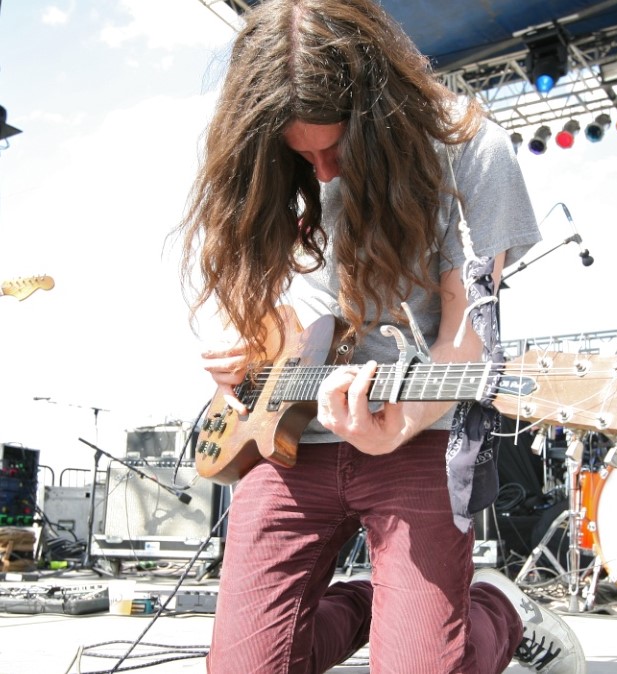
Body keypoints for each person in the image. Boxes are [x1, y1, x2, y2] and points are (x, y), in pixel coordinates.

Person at [179, 2, 586, 673]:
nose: (324, 171)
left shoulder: (469, 146)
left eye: (334, 145)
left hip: (415, 432)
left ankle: (499, 611)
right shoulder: (276, 163)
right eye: (300, 153)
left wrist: (402, 422)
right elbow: (278, 310)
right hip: (288, 444)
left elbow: (468, 335)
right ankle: (372, 604)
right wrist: (246, 361)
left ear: (375, 109)